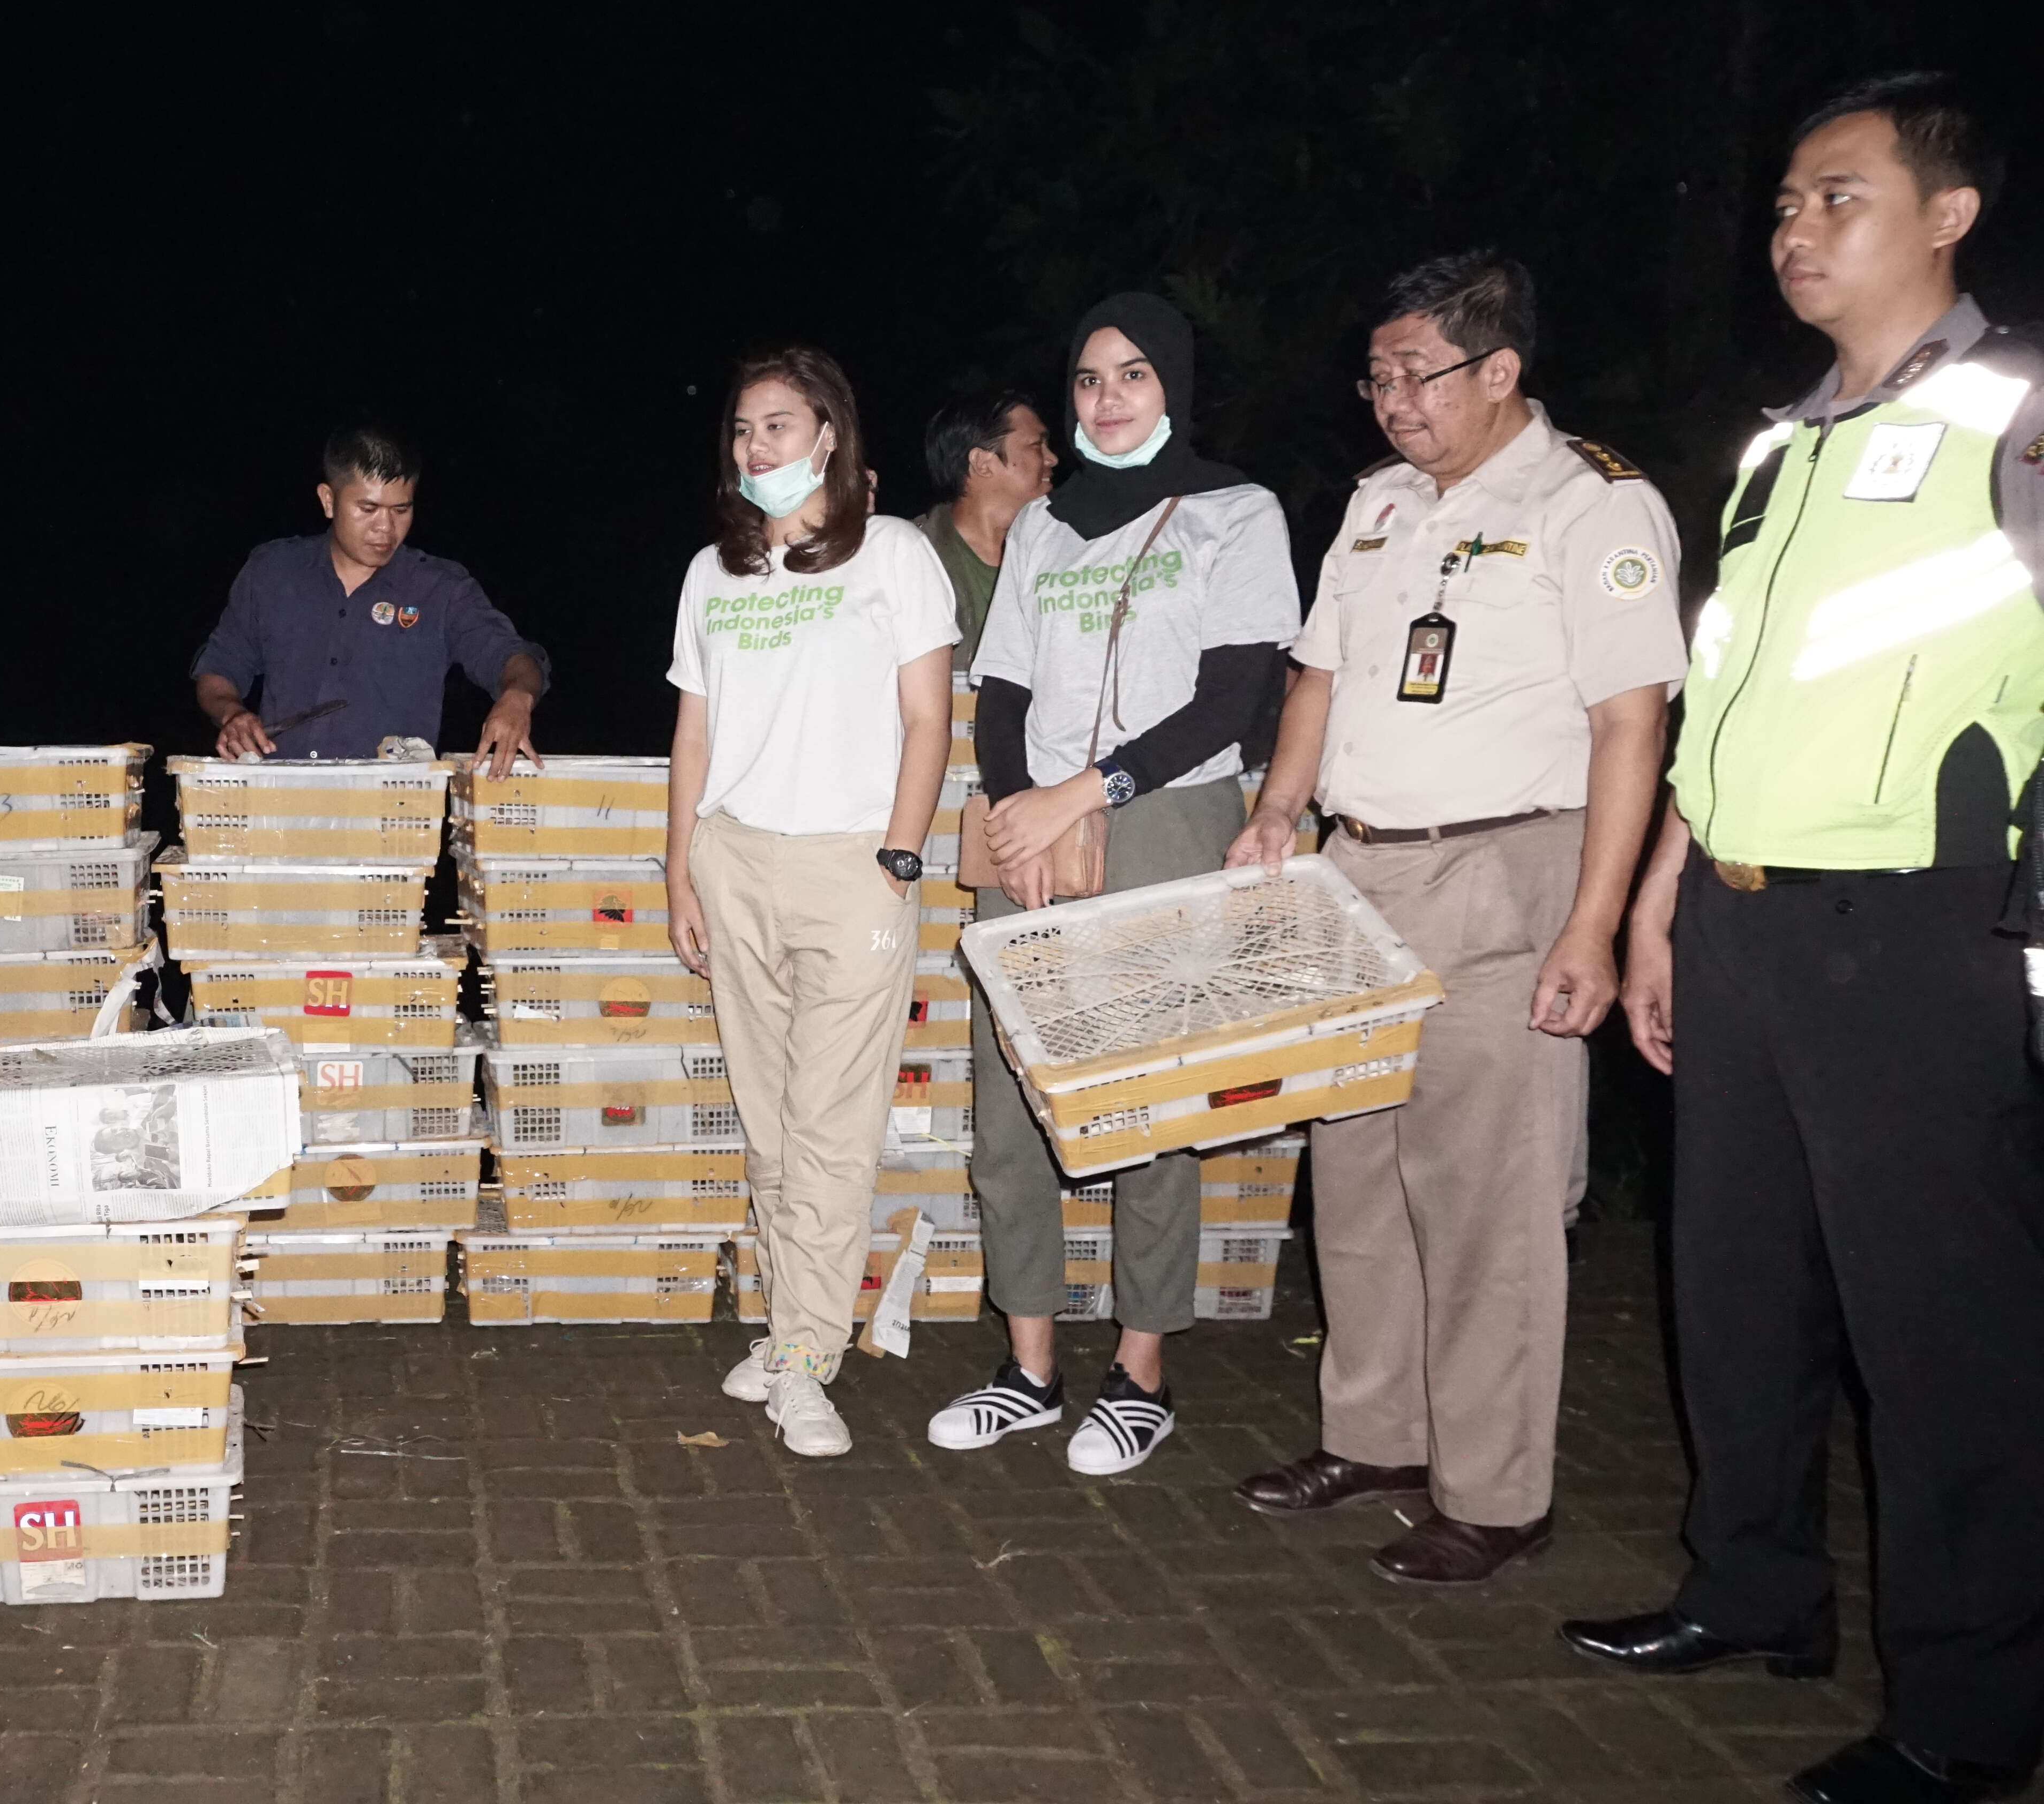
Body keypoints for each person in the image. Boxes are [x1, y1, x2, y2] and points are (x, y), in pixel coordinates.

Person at [1557, 76, 2044, 1804]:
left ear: (1947, 212)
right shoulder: (1777, 447)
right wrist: (1655, 904)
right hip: (1743, 918)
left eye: (1834, 197)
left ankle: (1972, 1713)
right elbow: (1722, 700)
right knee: (1736, 1291)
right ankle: (1751, 1592)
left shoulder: (2017, 410)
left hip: (1920, 923)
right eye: (1778, 204)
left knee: (1938, 1331)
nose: (1791, 231)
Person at [1223, 251, 1682, 1585]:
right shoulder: (1376, 506)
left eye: (1413, 373)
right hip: (1359, 873)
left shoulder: (1592, 504)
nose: (1387, 400)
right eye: (1373, 375)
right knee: (1358, 1172)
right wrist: (1278, 812)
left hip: (1505, 873)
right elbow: (1316, 676)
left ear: (1500, 370)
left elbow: (1629, 724)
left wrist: (1592, 928)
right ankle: (1377, 1435)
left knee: (1491, 1196)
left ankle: (1494, 1492)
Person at [935, 293, 1299, 1476]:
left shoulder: (1236, 513)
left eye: (1132, 376)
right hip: (1033, 822)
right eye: (1089, 380)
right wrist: (1014, 812)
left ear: (1174, 386)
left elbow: (1237, 696)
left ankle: (1140, 1369)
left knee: (1148, 1101)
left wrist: (1085, 792)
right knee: (1013, 1100)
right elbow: (1003, 691)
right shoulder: (1044, 527)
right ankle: (1028, 1363)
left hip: (1162, 815)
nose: (1106, 399)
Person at [669, 346, 955, 1458]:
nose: (756, 449)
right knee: (771, 1122)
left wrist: (897, 855)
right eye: (743, 430)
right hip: (736, 860)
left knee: (835, 1128)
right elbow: (694, 730)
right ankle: (791, 1320)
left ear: (829, 435)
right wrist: (678, 866)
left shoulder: (893, 557)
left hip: (851, 865)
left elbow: (927, 720)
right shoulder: (714, 572)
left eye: (778, 427)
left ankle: (806, 1353)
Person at [190, 426, 549, 770]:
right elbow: (219, 667)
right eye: (368, 509)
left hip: (393, 811)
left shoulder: (441, 589)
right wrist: (232, 715)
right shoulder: (272, 572)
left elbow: (514, 659)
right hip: (280, 801)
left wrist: (517, 698)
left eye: (401, 510)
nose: (385, 529)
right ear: (328, 500)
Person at [915, 388, 1055, 660]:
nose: (1052, 459)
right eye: (1037, 446)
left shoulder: (1068, 552)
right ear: (983, 463)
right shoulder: (912, 559)